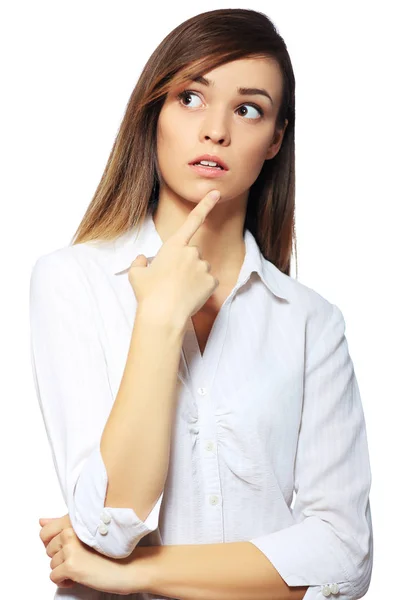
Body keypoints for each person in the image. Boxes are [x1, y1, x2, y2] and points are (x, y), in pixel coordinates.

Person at [30, 7, 373, 600]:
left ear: (275, 141)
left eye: (248, 109)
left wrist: (135, 573)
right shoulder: (72, 279)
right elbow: (108, 524)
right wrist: (160, 318)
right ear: (154, 112)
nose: (216, 130)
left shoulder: (313, 322)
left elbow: (343, 553)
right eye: (191, 97)